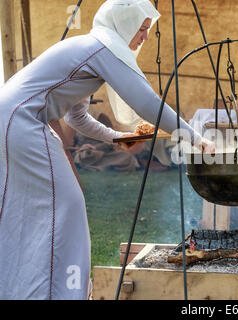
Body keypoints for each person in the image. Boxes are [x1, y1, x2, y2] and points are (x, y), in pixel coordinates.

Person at [0, 0, 213, 300]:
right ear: (124, 26)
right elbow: (148, 103)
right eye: (142, 29)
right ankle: (62, 292)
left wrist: (117, 137)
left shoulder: (90, 47)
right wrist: (195, 138)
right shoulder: (104, 46)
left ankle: (21, 290)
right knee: (68, 204)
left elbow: (76, 117)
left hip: (11, 118)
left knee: (25, 208)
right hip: (23, 120)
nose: (145, 37)